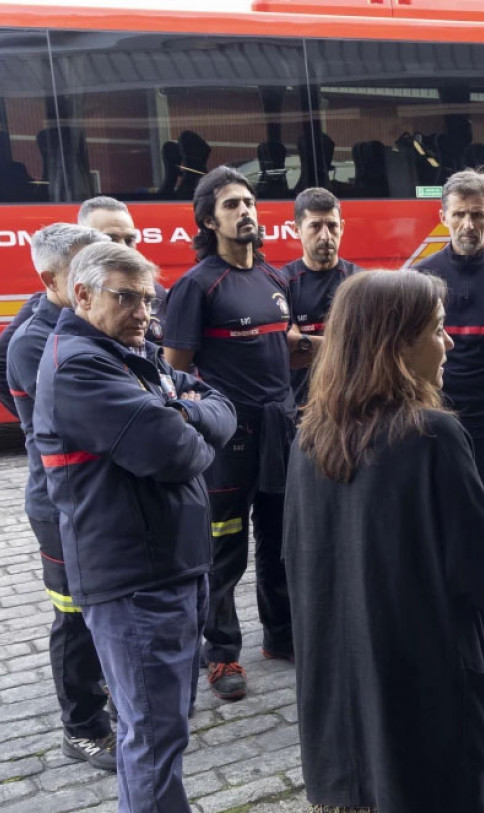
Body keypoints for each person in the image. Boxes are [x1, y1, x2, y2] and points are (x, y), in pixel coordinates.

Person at [283, 268, 484, 813]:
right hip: (420, 689)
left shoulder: (308, 438)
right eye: (435, 328)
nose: (446, 343)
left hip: (335, 693)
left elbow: (294, 564)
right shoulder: (433, 436)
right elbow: (483, 571)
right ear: (396, 343)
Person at [33, 240, 239, 813]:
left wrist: (187, 409)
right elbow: (178, 448)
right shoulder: (83, 365)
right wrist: (186, 412)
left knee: (153, 724)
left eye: (148, 297)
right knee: (153, 731)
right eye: (125, 296)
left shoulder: (123, 355)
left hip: (161, 568)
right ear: (82, 295)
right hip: (133, 579)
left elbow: (215, 405)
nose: (143, 311)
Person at [165, 166, 307, 700]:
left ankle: (281, 634)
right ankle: (221, 655)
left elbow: (287, 345)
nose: (246, 211)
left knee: (280, 541)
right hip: (228, 443)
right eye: (231, 205)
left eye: (249, 202)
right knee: (224, 551)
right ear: (209, 219)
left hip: (280, 433)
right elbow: (174, 374)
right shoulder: (197, 285)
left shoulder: (274, 278)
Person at [6, 223, 118, 770]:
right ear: (52, 278)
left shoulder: (74, 321)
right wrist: (36, 431)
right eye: (84, 264)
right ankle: (82, 727)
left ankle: (106, 699)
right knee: (73, 615)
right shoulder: (36, 339)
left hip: (88, 497)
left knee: (96, 607)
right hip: (59, 502)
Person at [416, 169, 484, 658]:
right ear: (442, 218)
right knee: (435, 520)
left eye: (476, 214)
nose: (467, 223)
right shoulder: (419, 283)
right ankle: (442, 610)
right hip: (434, 425)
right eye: (458, 214)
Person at [0, 196, 167, 413]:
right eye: (110, 240)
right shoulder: (34, 335)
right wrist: (39, 424)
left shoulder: (147, 294)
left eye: (129, 240)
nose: (121, 251)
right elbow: (113, 415)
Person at [280, 186, 361, 410]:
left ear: (342, 227)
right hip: (301, 409)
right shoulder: (281, 283)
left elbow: (371, 346)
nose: (325, 236)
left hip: (354, 408)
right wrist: (349, 345)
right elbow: (286, 346)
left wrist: (306, 343)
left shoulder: (361, 282)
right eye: (315, 226)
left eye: (332, 226)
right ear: (296, 230)